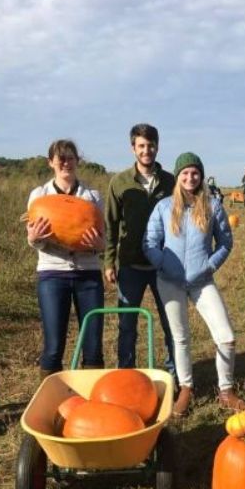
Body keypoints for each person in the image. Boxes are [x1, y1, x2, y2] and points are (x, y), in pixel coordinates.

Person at [143, 152, 245, 416]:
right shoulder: (164, 206)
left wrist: (209, 265)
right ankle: (186, 389)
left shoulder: (213, 205)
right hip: (169, 281)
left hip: (202, 281)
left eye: (195, 173)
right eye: (185, 173)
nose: (190, 177)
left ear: (201, 176)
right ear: (178, 176)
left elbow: (225, 243)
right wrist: (162, 263)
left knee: (226, 336)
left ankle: (226, 392)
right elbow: (149, 242)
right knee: (180, 338)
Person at [26, 140, 106, 381]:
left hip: (88, 275)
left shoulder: (92, 196)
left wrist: (99, 246)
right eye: (60, 158)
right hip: (52, 275)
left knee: (93, 344)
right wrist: (34, 238)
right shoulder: (39, 196)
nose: (65, 162)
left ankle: (93, 396)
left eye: (70, 157)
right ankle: (51, 398)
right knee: (53, 344)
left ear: (77, 161)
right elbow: (34, 240)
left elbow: (104, 241)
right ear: (51, 162)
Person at [104, 124, 176, 376]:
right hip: (130, 265)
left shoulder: (170, 181)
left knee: (171, 323)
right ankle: (126, 374)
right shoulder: (119, 182)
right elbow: (110, 224)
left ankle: (175, 375)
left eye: (151, 145)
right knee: (127, 325)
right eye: (141, 146)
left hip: (163, 265)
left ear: (157, 145)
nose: (147, 150)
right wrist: (109, 261)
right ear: (133, 148)